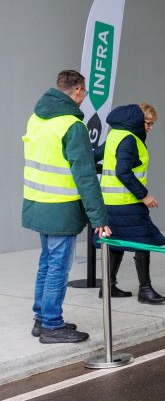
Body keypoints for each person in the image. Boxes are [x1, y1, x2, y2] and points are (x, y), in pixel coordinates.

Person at [23, 70, 111, 343]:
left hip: (38, 203)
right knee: (58, 267)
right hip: (61, 208)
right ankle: (52, 325)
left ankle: (42, 318)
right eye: (84, 94)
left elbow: (53, 158)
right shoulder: (73, 126)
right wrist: (99, 219)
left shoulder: (37, 118)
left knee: (47, 263)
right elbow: (85, 177)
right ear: (79, 91)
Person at [98, 103, 165, 303]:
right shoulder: (130, 139)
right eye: (148, 123)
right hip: (127, 202)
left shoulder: (115, 134)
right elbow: (122, 172)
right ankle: (145, 290)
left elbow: (98, 156)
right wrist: (144, 195)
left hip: (109, 202)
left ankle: (108, 286)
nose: (150, 128)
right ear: (138, 121)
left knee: (116, 243)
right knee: (143, 241)